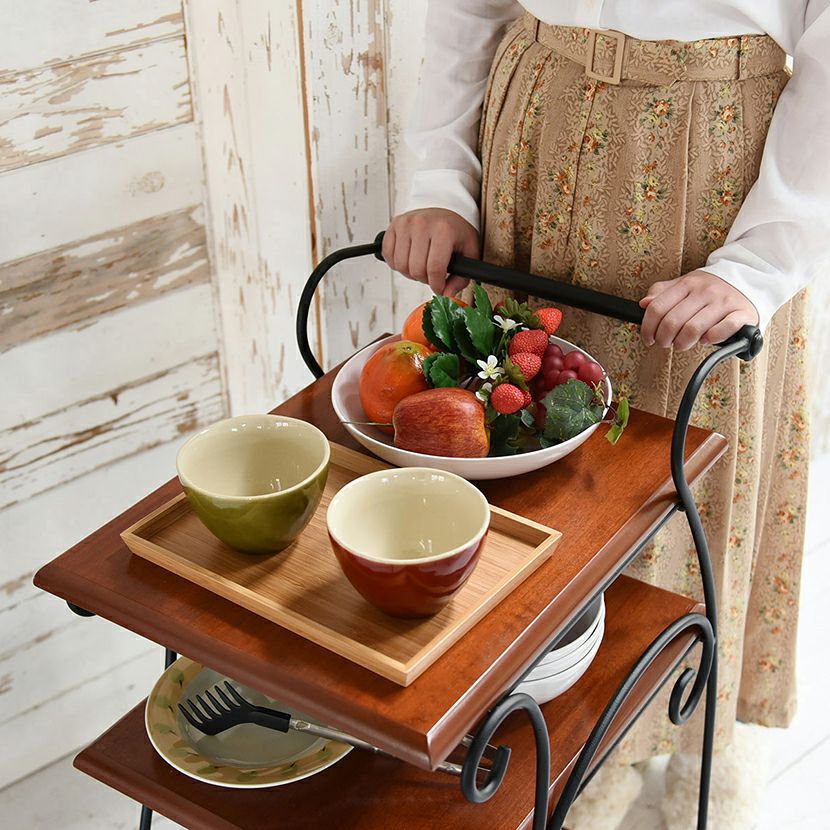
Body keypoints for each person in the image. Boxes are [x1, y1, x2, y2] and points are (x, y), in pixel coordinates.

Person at [383, 2, 824, 826]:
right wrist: (441, 179)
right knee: (535, 465)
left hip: (714, 175)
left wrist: (761, 261)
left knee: (697, 473)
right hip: (532, 143)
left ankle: (706, 730)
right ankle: (592, 734)